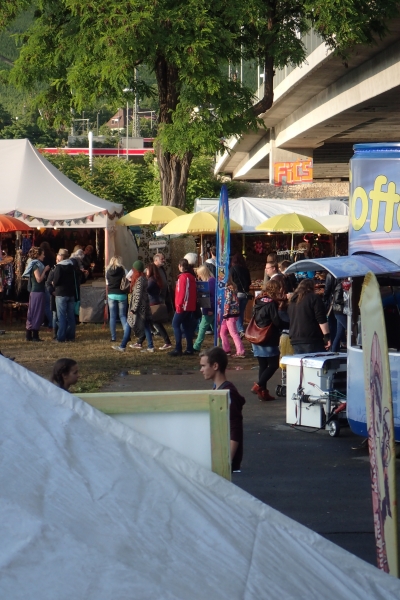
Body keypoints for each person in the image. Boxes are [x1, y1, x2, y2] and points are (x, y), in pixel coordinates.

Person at [200, 347, 245, 472]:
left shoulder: (228, 393)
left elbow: (235, 429)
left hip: (224, 460)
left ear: (215, 366)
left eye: (203, 366)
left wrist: (227, 460)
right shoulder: (218, 390)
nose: (201, 370)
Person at [250, 280, 288, 401]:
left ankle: (263, 392)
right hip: (268, 337)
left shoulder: (258, 300)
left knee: (263, 365)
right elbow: (276, 321)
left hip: (256, 335)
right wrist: (289, 324)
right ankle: (258, 385)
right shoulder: (271, 303)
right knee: (273, 364)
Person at [112, 260, 154, 353]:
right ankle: (150, 346)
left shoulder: (140, 280)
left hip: (139, 308)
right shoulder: (142, 279)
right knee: (145, 325)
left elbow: (138, 296)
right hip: (142, 307)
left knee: (129, 324)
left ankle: (123, 346)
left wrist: (134, 309)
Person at [132, 263, 172, 350]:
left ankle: (166, 342)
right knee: (149, 323)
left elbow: (145, 289)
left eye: (147, 269)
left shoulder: (151, 280)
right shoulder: (154, 279)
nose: (146, 271)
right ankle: (140, 342)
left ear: (150, 270)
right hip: (153, 302)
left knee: (154, 324)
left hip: (152, 303)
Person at [288, 278, 331, 354]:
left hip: (295, 338)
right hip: (311, 338)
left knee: (301, 361)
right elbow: (321, 319)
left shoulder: (292, 301)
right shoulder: (314, 298)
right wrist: (327, 336)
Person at [169, 258, 197, 356]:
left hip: (183, 305)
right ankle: (189, 348)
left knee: (175, 324)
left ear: (180, 266)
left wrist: (179, 305)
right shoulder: (191, 277)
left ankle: (178, 348)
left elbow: (182, 293)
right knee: (186, 326)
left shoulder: (183, 277)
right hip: (189, 305)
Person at [53, 248, 78, 343]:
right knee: (71, 316)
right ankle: (71, 336)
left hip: (61, 293)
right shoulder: (72, 266)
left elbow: (56, 281)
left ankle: (61, 337)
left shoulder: (59, 267)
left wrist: (53, 283)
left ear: (61, 256)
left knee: (61, 316)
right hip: (71, 293)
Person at [25, 247, 50, 342]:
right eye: (42, 254)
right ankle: (35, 335)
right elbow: (39, 279)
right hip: (37, 292)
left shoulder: (34, 264)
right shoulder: (35, 265)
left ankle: (29, 335)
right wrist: (45, 270)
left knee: (32, 312)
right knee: (37, 312)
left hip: (35, 292)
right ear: (38, 255)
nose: (44, 256)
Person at [220, 271, 246, 358]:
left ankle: (241, 351)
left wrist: (225, 313)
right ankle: (226, 349)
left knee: (233, 333)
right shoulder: (232, 287)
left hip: (229, 314)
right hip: (230, 313)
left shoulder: (228, 288)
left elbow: (227, 301)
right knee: (222, 332)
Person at [105, 255, 129, 343]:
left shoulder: (107, 271)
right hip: (122, 294)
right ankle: (127, 335)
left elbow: (107, 284)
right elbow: (127, 281)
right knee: (122, 315)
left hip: (111, 295)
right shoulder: (123, 270)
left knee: (112, 316)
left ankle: (113, 337)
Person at [193, 265, 216, 352]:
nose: (198, 276)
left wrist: (209, 309)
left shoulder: (210, 282)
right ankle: (221, 344)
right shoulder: (211, 280)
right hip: (210, 308)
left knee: (202, 328)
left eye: (199, 274)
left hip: (209, 309)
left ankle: (196, 346)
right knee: (215, 328)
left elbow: (212, 297)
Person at [230, 253, 251, 338]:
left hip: (236, 293)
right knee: (241, 312)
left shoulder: (232, 269)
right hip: (245, 294)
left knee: (236, 313)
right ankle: (240, 329)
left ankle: (240, 330)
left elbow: (230, 281)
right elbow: (249, 282)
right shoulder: (246, 269)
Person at [39, 241, 56, 329]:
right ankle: (50, 321)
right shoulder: (52, 256)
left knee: (46, 304)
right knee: (50, 302)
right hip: (51, 279)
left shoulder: (42, 258)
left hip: (45, 279)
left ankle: (50, 322)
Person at [331, 278, 347, 352]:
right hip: (339, 311)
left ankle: (334, 351)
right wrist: (346, 301)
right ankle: (334, 350)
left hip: (340, 311)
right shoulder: (340, 286)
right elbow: (337, 299)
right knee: (350, 329)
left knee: (339, 333)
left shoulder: (341, 285)